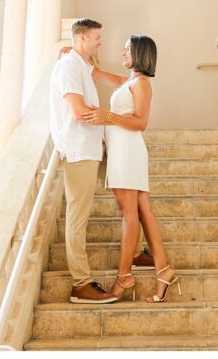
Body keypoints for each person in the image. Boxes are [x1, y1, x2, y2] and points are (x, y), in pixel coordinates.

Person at [78, 34, 180, 303]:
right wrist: (79, 56)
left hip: (127, 150)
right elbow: (98, 74)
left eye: (127, 50)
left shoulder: (142, 84)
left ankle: (124, 276)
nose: (122, 53)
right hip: (124, 149)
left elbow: (141, 122)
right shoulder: (131, 81)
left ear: (140, 53)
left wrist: (106, 116)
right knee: (142, 210)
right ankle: (164, 269)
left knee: (128, 212)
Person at [48, 18, 116, 303]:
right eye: (97, 37)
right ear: (82, 38)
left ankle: (136, 251)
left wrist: (136, 82)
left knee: (128, 195)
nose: (101, 42)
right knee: (78, 218)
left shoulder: (81, 65)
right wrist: (111, 117)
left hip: (93, 146)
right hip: (78, 150)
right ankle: (81, 284)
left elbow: (102, 75)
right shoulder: (68, 67)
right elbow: (78, 111)